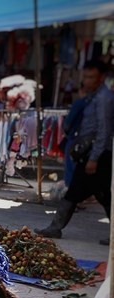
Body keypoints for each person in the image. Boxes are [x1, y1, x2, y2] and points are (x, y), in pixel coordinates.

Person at [36, 60, 112, 245]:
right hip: (89, 153)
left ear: (100, 78)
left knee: (100, 195)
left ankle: (55, 227)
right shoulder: (93, 96)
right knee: (89, 193)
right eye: (85, 76)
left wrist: (94, 158)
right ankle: (55, 227)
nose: (87, 81)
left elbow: (104, 130)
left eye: (91, 77)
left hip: (98, 155)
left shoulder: (104, 98)